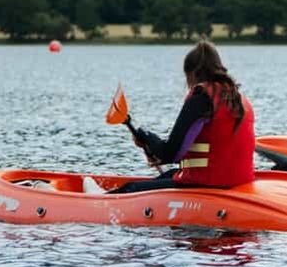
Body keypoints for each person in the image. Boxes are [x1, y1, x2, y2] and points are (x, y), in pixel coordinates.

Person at [109, 41, 255, 193]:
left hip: (211, 185)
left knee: (130, 189)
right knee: (171, 175)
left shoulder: (201, 99)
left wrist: (147, 137)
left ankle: (96, 198)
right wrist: (152, 147)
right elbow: (185, 153)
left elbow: (171, 153)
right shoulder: (238, 99)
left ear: (192, 73)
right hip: (239, 182)